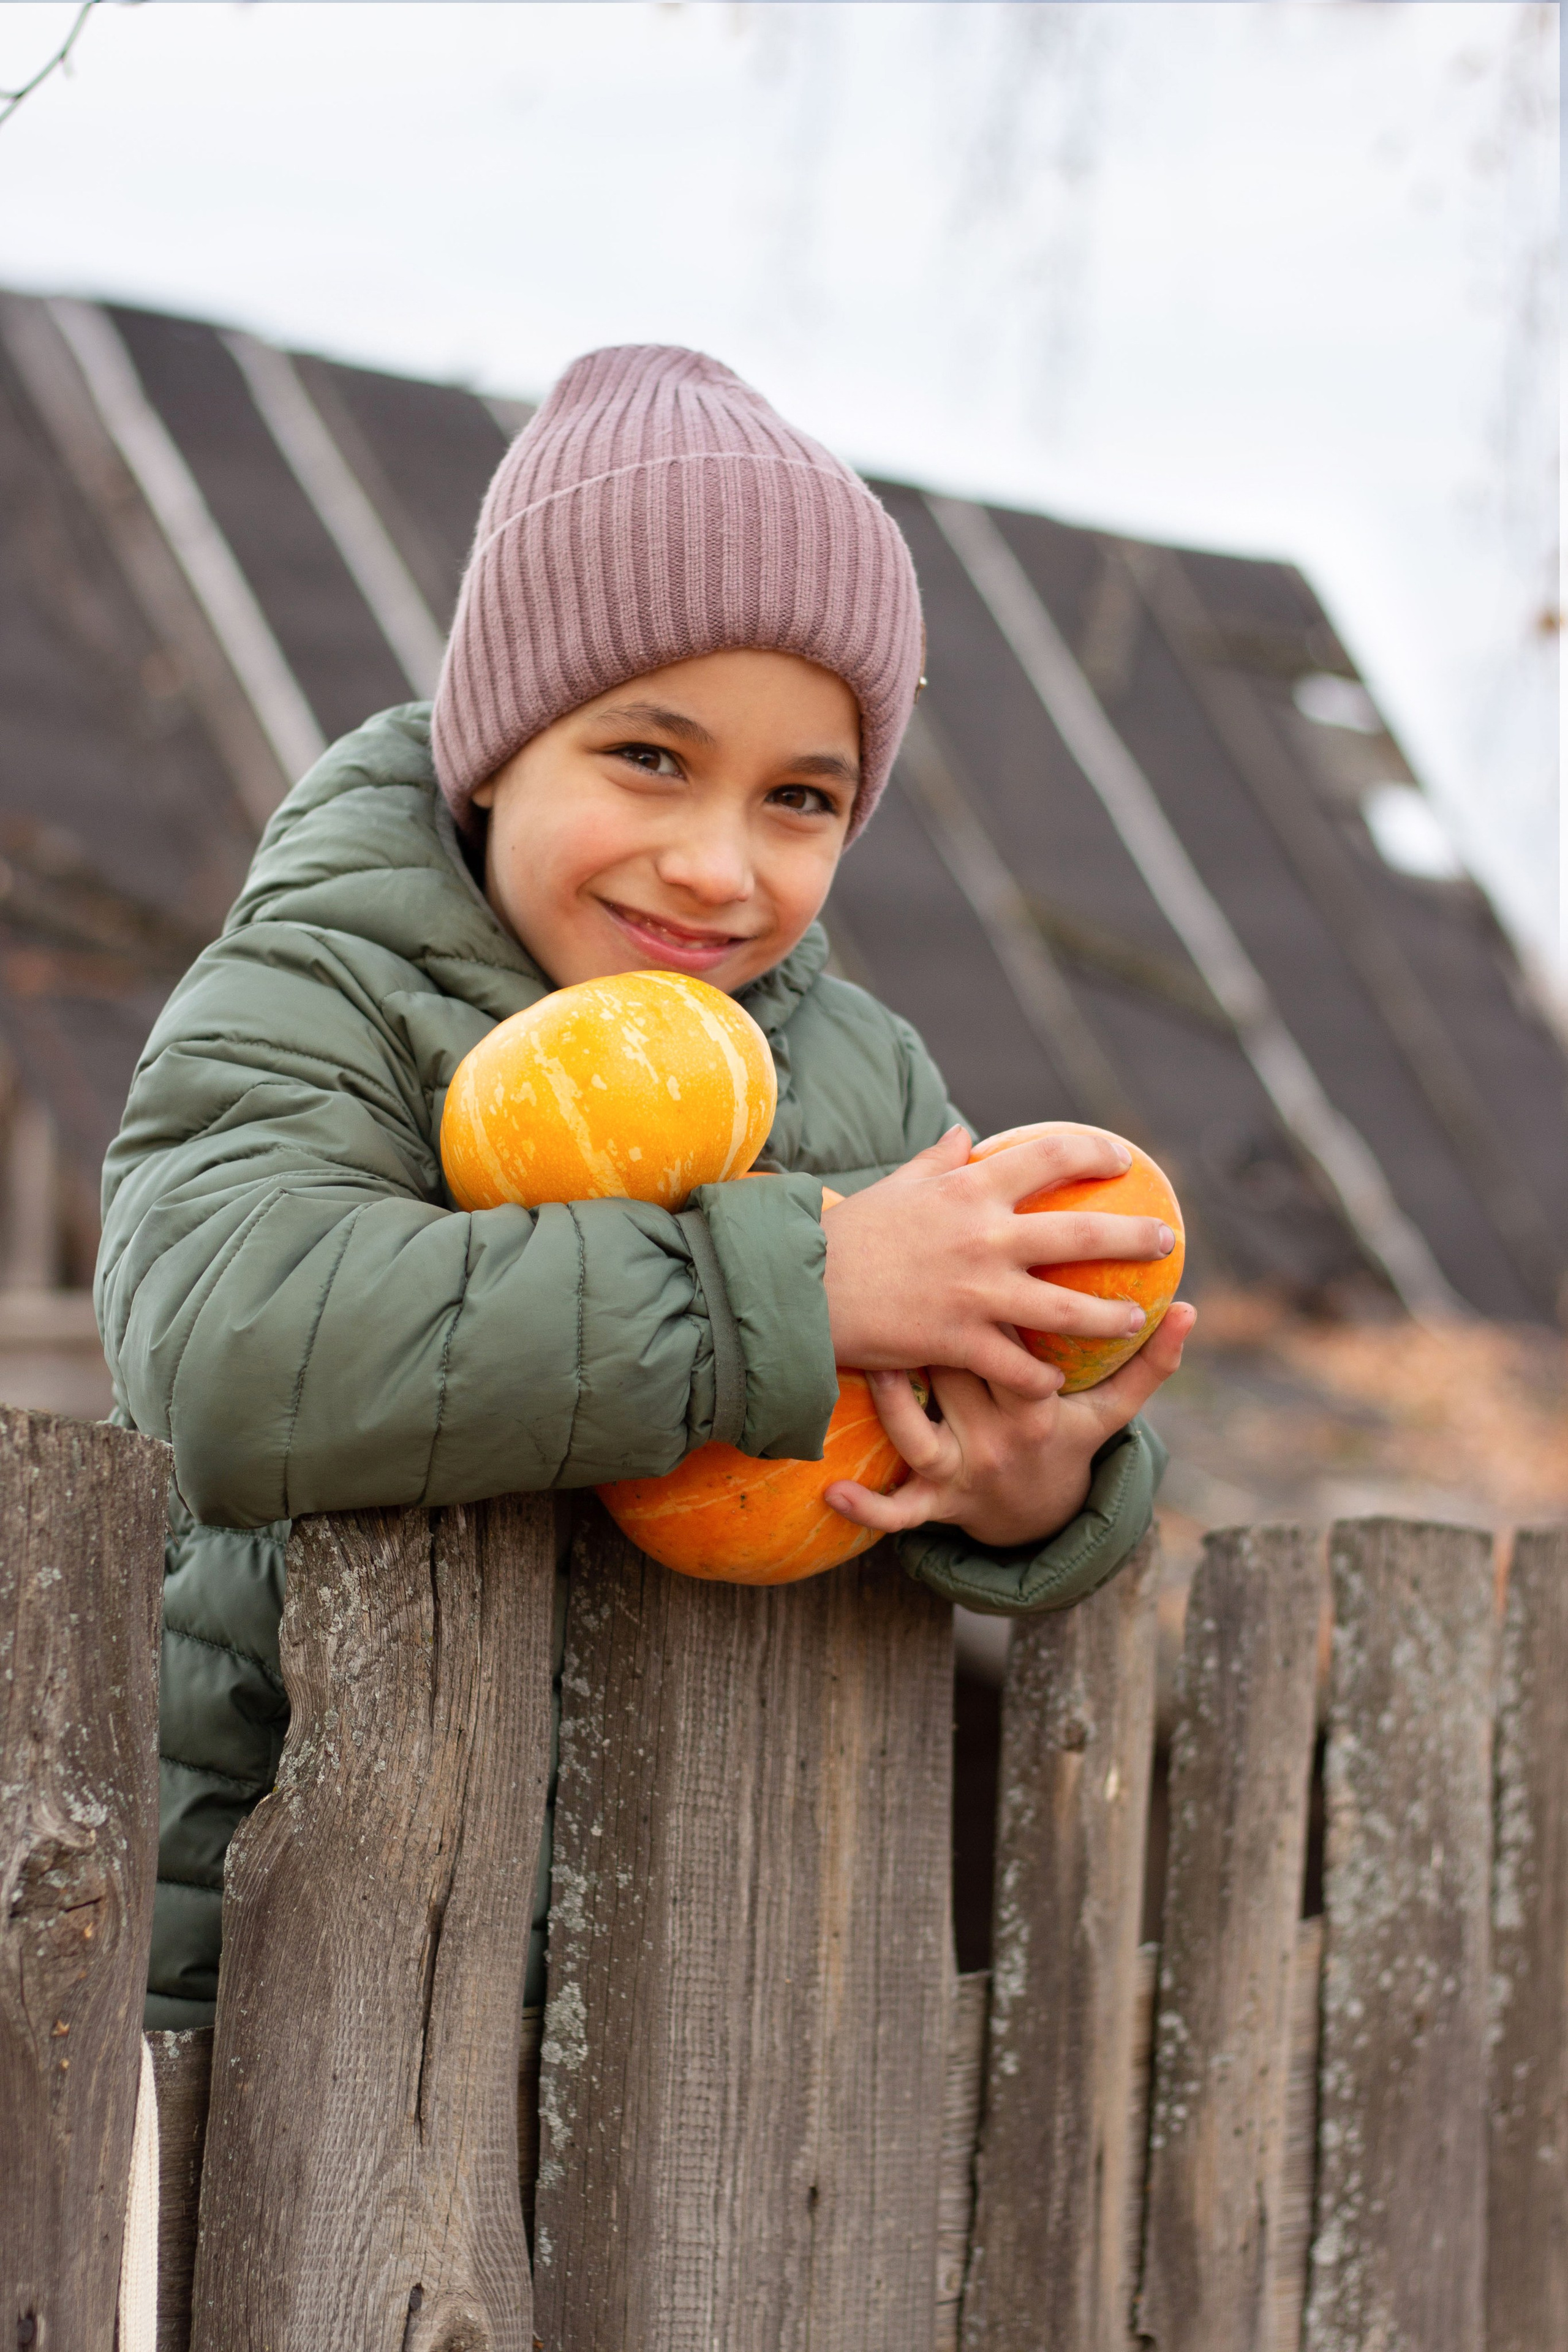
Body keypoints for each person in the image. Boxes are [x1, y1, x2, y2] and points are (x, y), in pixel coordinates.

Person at [97, 344, 1194, 2031]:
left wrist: (1036, 1492)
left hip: (702, 2005)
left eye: (801, 799)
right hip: (282, 1969)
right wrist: (804, 1288)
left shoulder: (863, 1083)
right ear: (495, 746)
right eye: (651, 759)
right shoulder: (323, 994)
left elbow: (962, 1419)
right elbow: (235, 1354)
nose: (716, 864)